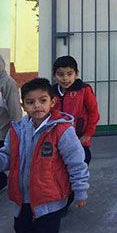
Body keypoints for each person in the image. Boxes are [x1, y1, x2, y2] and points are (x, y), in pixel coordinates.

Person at [0, 78, 89, 233]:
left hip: (50, 203)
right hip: (21, 202)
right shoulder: (16, 130)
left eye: (43, 100)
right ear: (23, 105)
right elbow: (7, 156)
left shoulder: (61, 130)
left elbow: (76, 163)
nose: (37, 106)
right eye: (30, 102)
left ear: (52, 102)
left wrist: (80, 190)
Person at [52, 56, 100, 166]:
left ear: (76, 73)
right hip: (58, 138)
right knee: (60, 166)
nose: (65, 78)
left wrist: (88, 134)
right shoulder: (51, 92)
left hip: (79, 137)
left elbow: (94, 113)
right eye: (60, 74)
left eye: (69, 74)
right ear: (54, 76)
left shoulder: (84, 90)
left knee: (81, 163)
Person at [0, 55, 22, 192]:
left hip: (2, 132)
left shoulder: (7, 83)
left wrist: (18, 132)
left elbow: (15, 111)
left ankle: (3, 181)